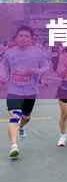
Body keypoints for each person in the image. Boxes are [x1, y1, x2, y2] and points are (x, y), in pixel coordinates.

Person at [1, 25, 49, 159]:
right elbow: (3, 66)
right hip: (14, 91)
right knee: (14, 116)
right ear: (16, 38)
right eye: (21, 36)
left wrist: (36, 71)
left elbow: (46, 66)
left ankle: (21, 127)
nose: (23, 38)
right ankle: (14, 146)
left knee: (26, 117)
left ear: (31, 39)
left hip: (30, 91)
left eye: (26, 36)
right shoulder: (9, 53)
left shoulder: (38, 53)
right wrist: (3, 76)